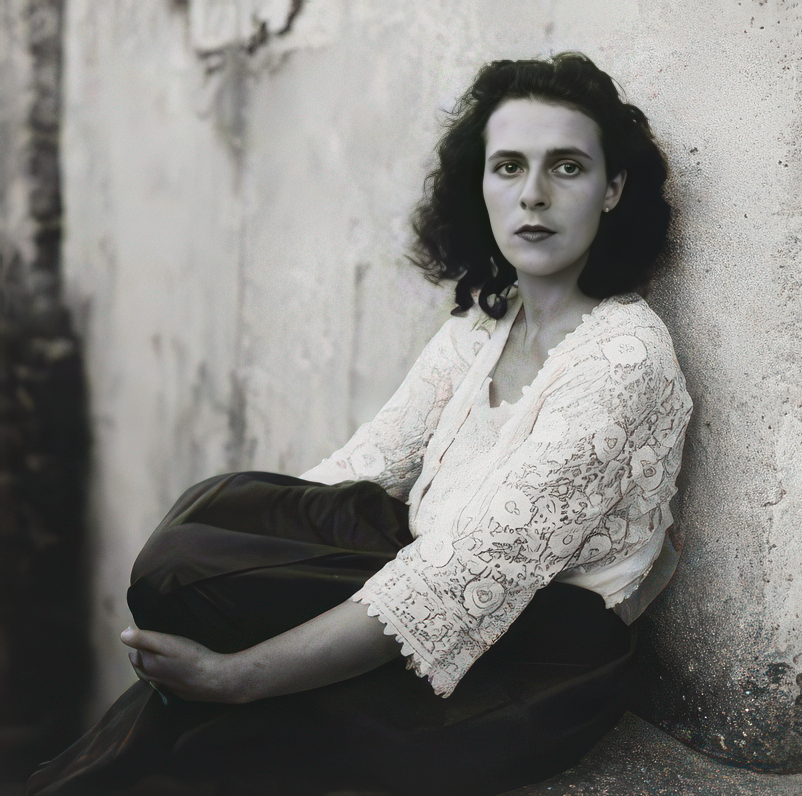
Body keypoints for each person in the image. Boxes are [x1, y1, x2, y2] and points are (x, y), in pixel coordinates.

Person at [27, 53, 692, 796]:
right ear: (481, 185)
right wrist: (248, 556)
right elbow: (364, 466)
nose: (533, 194)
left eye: (567, 167)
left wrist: (236, 674)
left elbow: (459, 579)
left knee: (209, 710)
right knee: (200, 543)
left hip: (535, 654)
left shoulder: (623, 358)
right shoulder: (487, 323)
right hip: (414, 559)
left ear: (612, 189)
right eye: (509, 167)